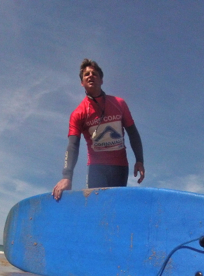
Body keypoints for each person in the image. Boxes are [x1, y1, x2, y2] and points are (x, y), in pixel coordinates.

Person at [52, 59, 145, 200]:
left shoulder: (119, 103)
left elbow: (133, 133)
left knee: (115, 206)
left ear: (101, 80)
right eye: (86, 74)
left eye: (94, 74)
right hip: (97, 168)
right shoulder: (78, 114)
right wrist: (67, 177)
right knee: (97, 206)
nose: (90, 76)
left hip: (120, 166)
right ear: (82, 83)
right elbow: (73, 145)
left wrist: (139, 160)